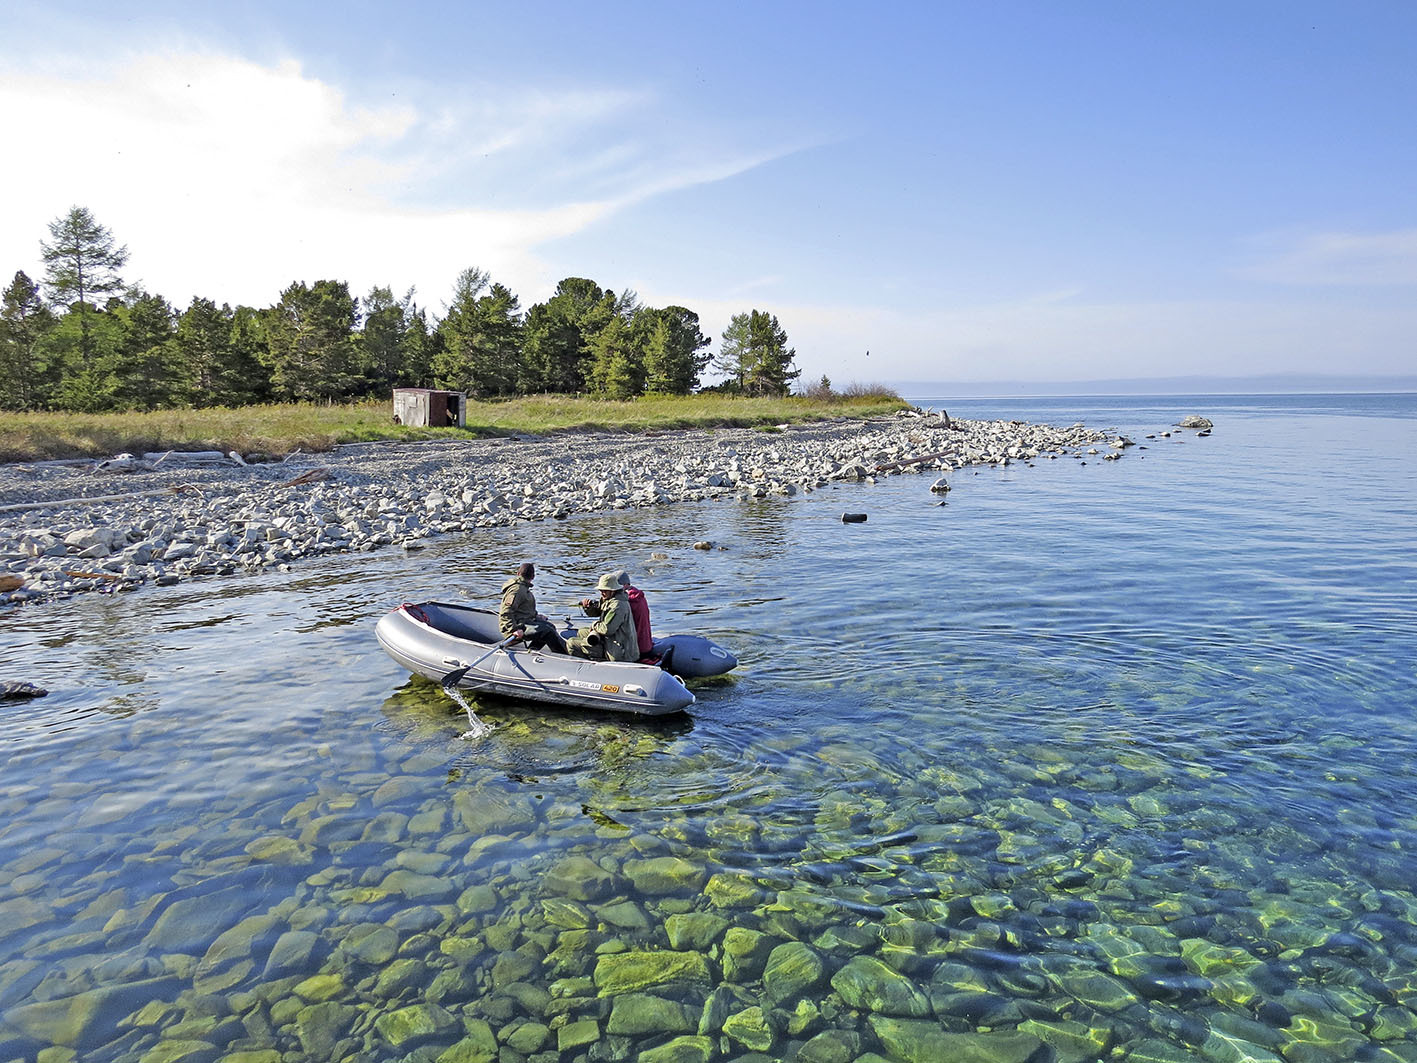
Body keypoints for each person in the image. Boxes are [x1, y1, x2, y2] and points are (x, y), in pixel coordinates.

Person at [582, 569, 653, 660]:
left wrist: (595, 624)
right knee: (584, 632)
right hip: (646, 643)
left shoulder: (625, 602)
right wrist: (591, 607)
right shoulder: (638, 596)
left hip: (635, 647)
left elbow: (609, 627)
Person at [567, 573, 638, 661]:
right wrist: (588, 608)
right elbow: (597, 612)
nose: (602, 593)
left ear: (613, 590)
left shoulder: (617, 605)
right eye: (601, 590)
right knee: (581, 632)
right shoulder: (609, 599)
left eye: (604, 590)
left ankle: (587, 667)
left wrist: (594, 625)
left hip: (619, 651)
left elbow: (607, 629)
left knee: (571, 643)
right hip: (611, 639)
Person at [498, 562, 567, 654]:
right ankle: (562, 655)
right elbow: (505, 613)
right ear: (533, 577)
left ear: (518, 573)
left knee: (550, 626)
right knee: (548, 632)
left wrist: (536, 616)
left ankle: (533, 649)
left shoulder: (523, 588)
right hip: (517, 627)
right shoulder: (517, 590)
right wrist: (514, 630)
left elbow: (524, 610)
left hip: (524, 621)